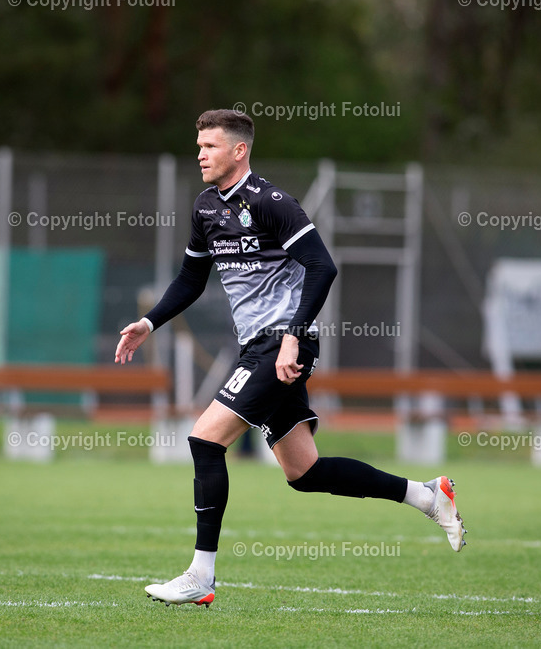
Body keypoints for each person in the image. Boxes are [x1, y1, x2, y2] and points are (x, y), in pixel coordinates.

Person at [115, 109, 465, 608]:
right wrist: (149, 323)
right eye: (199, 145)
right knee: (305, 473)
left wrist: (293, 337)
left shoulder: (272, 202)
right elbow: (192, 279)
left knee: (203, 439)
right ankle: (429, 496)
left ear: (239, 151)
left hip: (281, 344)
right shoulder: (206, 207)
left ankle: (200, 575)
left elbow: (323, 267)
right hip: (259, 346)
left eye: (210, 146)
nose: (200, 154)